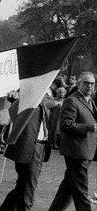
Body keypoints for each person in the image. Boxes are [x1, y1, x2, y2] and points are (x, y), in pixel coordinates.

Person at [48, 71, 97, 211]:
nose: (89, 86)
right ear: (79, 84)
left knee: (68, 189)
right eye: (86, 83)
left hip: (86, 151)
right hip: (76, 151)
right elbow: (65, 124)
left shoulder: (90, 101)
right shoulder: (72, 100)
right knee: (81, 190)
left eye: (92, 84)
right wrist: (87, 127)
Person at [0, 94, 52, 211]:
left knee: (23, 186)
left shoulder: (42, 99)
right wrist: (16, 97)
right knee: (28, 189)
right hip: (29, 148)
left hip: (40, 147)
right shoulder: (29, 98)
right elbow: (14, 109)